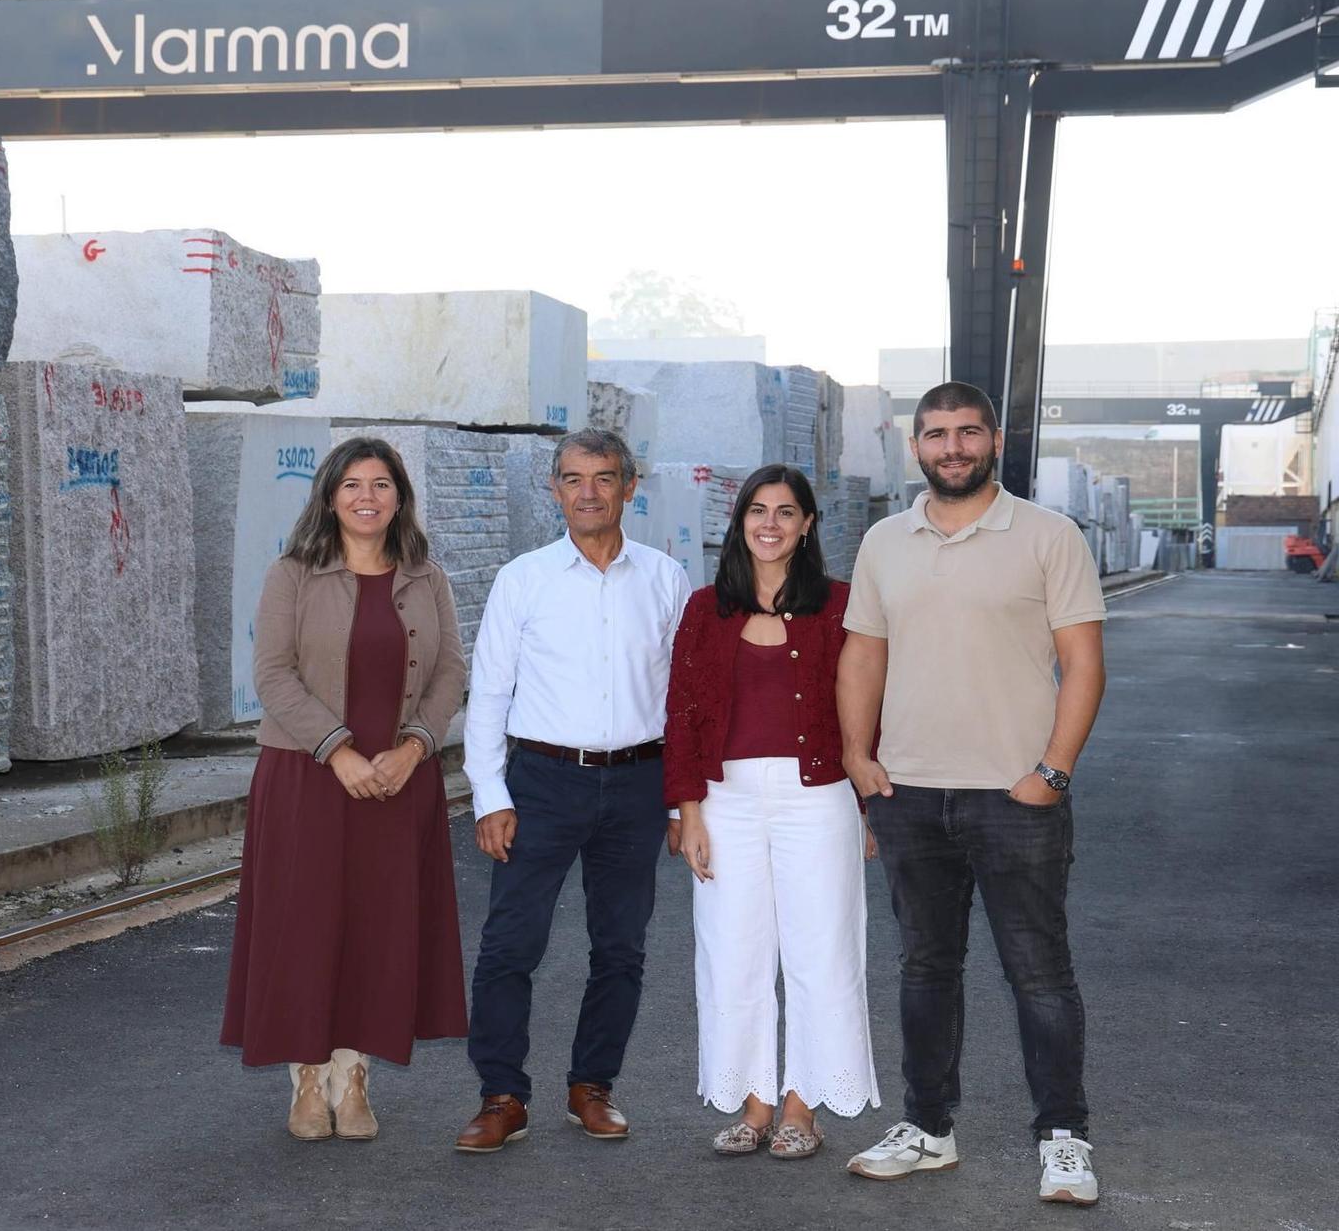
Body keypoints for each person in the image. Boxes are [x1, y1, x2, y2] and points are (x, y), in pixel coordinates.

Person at [838, 381, 1107, 1206]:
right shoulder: (884, 541)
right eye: (935, 434)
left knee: (1040, 972)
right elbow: (862, 656)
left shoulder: (1048, 535)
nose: (951, 446)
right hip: (912, 793)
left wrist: (1052, 771)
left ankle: (1063, 1136)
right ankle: (928, 1128)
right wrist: (858, 756)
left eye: (966, 432)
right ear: (914, 447)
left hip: (1014, 796)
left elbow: (1084, 663)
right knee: (925, 968)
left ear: (994, 440)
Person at [220, 436, 469, 1142]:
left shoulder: (428, 578)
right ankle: (306, 1077)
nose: (368, 496)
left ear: (399, 496)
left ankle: (354, 1075)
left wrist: (415, 745)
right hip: (307, 774)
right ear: (330, 496)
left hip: (399, 780)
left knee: (377, 928)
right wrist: (339, 750)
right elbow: (272, 673)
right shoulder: (292, 574)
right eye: (353, 484)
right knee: (304, 926)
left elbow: (451, 669)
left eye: (381, 483)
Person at [455, 429, 692, 1153]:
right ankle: (501, 1095)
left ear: (630, 485)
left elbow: (685, 699)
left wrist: (681, 801)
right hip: (543, 783)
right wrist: (490, 793)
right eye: (573, 478)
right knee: (509, 946)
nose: (589, 491)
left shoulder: (665, 578)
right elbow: (489, 693)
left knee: (619, 947)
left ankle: (593, 1086)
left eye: (604, 477)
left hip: (639, 783)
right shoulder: (523, 579)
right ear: (555, 489)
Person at [663, 464, 880, 1160]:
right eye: (758, 510)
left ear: (808, 524)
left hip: (817, 797)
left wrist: (869, 808)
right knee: (732, 952)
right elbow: (682, 713)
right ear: (740, 521)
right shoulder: (705, 609)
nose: (770, 523)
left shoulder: (844, 605)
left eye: (786, 511)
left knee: (821, 950)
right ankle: (753, 1101)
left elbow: (866, 714)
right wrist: (687, 808)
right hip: (725, 800)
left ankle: (802, 1104)